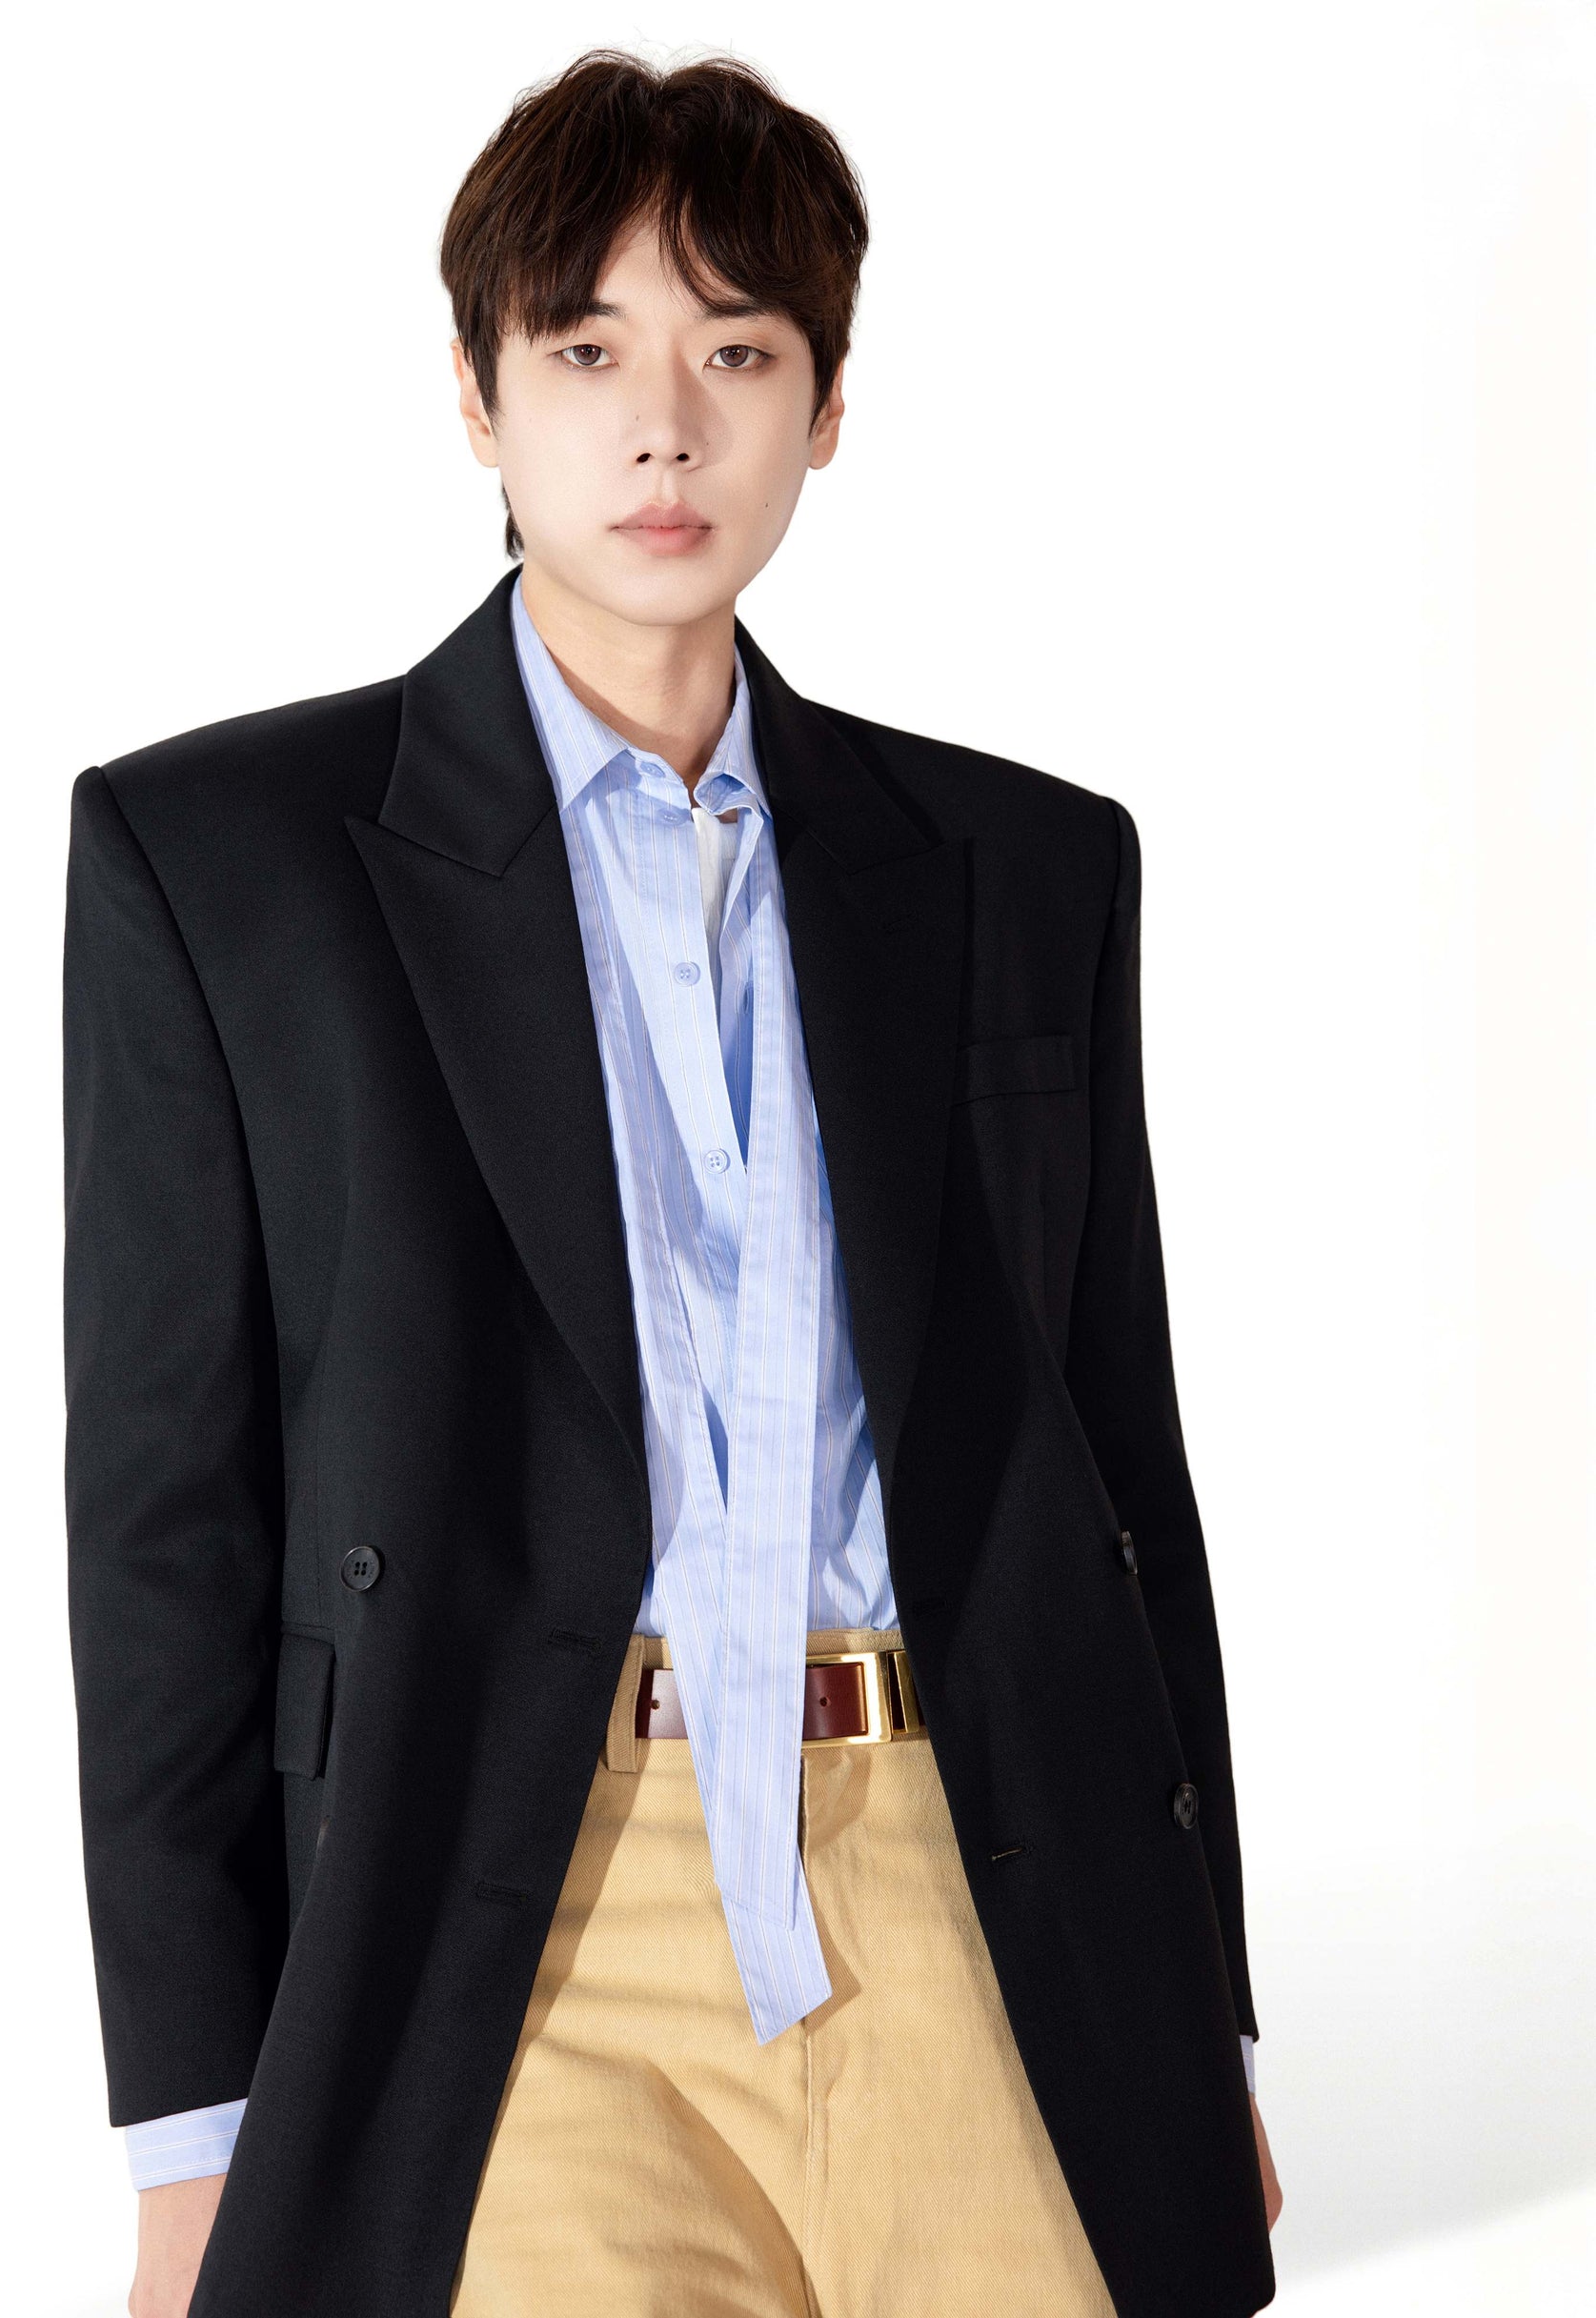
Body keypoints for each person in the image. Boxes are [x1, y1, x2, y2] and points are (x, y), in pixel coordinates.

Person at [64, 48, 1283, 2318]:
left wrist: (1196, 2010)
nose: (663, 428)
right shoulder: (224, 860)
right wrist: (202, 2121)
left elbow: (1124, 1480)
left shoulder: (1022, 863)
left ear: (825, 408)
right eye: (586, 349)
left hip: (978, 1867)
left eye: (736, 354)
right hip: (509, 1905)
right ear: (474, 393)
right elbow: (164, 1525)